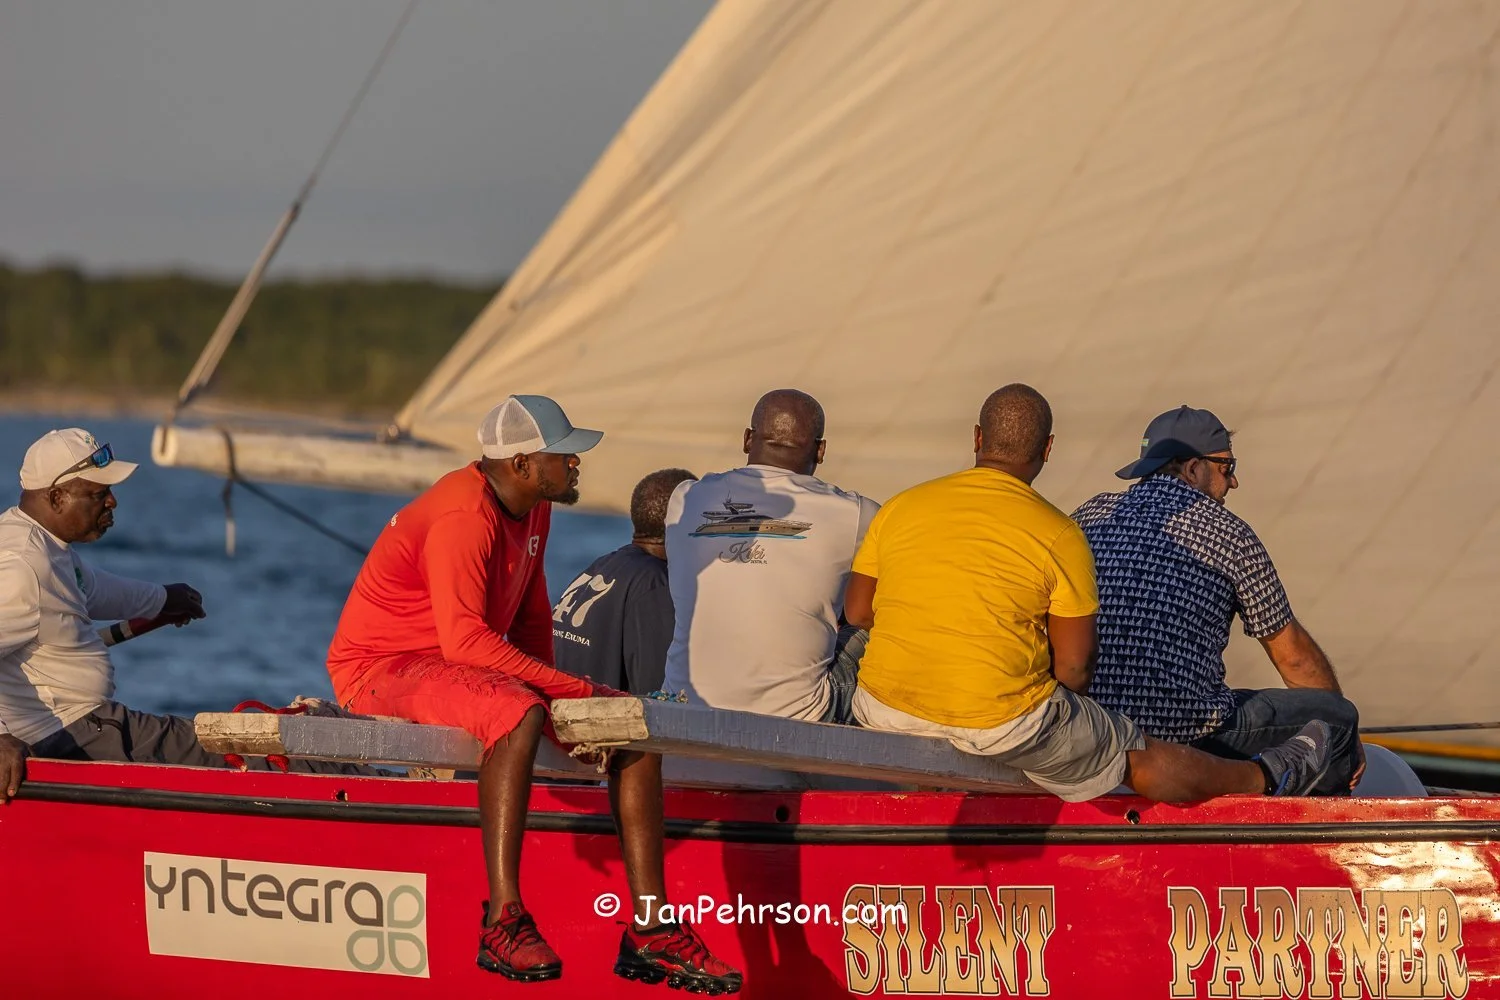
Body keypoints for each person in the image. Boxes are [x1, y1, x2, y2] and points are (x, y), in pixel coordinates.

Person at [325, 395, 739, 992]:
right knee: (516, 711)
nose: (577, 465)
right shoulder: (464, 516)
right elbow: (466, 642)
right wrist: (571, 689)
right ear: (521, 464)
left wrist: (581, 707)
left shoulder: (533, 506)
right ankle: (503, 919)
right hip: (381, 668)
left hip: (449, 664)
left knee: (627, 720)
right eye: (565, 455)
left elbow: (528, 621)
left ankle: (652, 930)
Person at [843, 385, 1334, 803]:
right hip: (1001, 722)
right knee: (1137, 752)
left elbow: (859, 611)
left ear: (976, 438)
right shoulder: (1059, 532)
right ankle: (1268, 778)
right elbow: (1074, 670)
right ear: (1048, 448)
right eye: (1228, 466)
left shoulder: (904, 507)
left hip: (881, 707)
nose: (1234, 480)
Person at [1071, 405, 1362, 794]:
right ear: (1192, 469)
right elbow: (1293, 658)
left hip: (1090, 725)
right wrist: (1341, 736)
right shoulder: (1230, 534)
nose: (1234, 482)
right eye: (1227, 467)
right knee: (1337, 718)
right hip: (1182, 732)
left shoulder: (1089, 517)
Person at [0, 428, 229, 785]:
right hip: (70, 736)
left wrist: (164, 599)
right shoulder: (22, 567)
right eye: (98, 493)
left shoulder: (43, 543)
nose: (112, 502)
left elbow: (94, 588)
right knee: (224, 754)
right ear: (57, 497)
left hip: (88, 726)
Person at [661, 389, 879, 724]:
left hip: (683, 703)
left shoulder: (684, 496)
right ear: (820, 451)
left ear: (748, 439)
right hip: (800, 715)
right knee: (876, 623)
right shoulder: (857, 513)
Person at [553, 468, 697, 695]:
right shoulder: (655, 583)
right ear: (686, 522)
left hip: (558, 711)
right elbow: (657, 692)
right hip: (596, 724)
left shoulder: (604, 565)